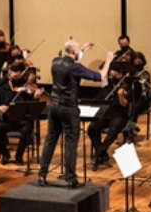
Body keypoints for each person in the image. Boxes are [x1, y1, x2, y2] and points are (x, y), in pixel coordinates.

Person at [38, 39, 113, 188]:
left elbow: (71, 60)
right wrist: (108, 61)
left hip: (53, 106)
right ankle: (71, 178)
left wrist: (83, 50)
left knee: (50, 140)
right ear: (74, 52)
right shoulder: (75, 68)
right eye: (78, 50)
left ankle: (42, 174)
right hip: (68, 108)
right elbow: (99, 77)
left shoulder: (55, 61)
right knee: (71, 143)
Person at [0, 63, 43, 166]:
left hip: (22, 121)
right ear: (9, 75)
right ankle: (5, 153)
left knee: (27, 131)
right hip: (7, 121)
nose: (18, 79)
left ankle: (19, 156)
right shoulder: (2, 89)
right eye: (15, 77)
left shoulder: (25, 89)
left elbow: (32, 106)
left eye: (19, 76)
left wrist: (36, 97)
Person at [88, 63, 133, 167]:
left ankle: (100, 151)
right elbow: (97, 102)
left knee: (114, 130)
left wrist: (121, 96)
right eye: (111, 76)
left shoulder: (126, 88)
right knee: (92, 128)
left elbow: (125, 104)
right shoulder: (106, 89)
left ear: (121, 75)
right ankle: (102, 153)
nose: (113, 78)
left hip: (119, 115)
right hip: (106, 115)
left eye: (116, 76)